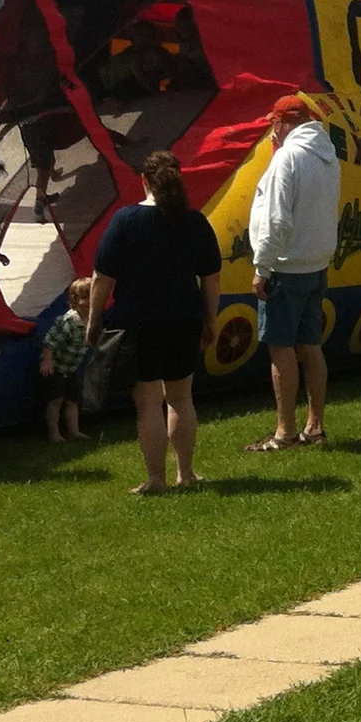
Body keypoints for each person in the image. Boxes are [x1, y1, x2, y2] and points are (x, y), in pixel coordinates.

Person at [89, 150, 222, 495]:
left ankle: (155, 479)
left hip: (138, 323)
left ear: (144, 181)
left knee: (147, 402)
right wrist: (211, 319)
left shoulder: (125, 220)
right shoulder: (196, 222)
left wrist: (92, 320)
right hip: (184, 319)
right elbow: (211, 278)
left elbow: (102, 278)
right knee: (181, 398)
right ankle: (187, 474)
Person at [244, 93, 341, 453]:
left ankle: (284, 431)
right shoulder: (328, 155)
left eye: (274, 123)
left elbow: (276, 218)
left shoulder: (288, 157)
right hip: (316, 262)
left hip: (286, 265)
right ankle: (314, 425)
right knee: (311, 346)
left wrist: (261, 267)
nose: (272, 130)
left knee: (281, 349)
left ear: (285, 124)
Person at [39, 276, 91, 442]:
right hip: (57, 367)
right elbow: (50, 342)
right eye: (85, 298)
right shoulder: (69, 321)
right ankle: (54, 434)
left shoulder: (90, 320)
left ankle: (74, 431)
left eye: (92, 297)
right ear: (75, 301)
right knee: (56, 400)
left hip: (72, 368)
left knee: (72, 401)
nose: (89, 302)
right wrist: (47, 360)